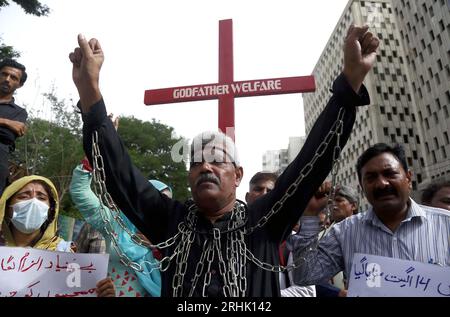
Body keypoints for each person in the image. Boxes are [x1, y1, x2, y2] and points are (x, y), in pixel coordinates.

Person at [69, 24, 378, 296]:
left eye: (217, 160)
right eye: (196, 162)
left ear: (238, 174)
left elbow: (312, 160)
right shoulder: (169, 221)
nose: (205, 167)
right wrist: (89, 90)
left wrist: (349, 83)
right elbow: (119, 171)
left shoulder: (266, 220)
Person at [289, 143, 450, 290]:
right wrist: (310, 215)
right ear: (362, 187)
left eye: (390, 174)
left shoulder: (446, 225)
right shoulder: (344, 233)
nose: (382, 183)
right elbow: (305, 277)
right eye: (371, 177)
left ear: (408, 178)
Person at [0, 175, 114, 296]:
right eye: (23, 196)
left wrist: (102, 293)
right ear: (6, 207)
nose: (33, 202)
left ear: (50, 210)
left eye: (41, 197)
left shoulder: (64, 254)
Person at [70, 160, 162, 297]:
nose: (163, 206)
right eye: (158, 198)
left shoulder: (173, 238)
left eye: (168, 201)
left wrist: (158, 248)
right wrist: (87, 165)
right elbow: (81, 193)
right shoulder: (116, 222)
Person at [245, 171, 315, 297]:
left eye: (270, 191)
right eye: (258, 189)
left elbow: (307, 292)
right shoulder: (232, 235)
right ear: (247, 197)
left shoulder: (294, 240)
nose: (264, 194)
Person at [0, 59, 28, 195]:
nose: (7, 79)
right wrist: (6, 122)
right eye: (4, 74)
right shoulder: (11, 119)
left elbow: (7, 137)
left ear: (20, 84)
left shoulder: (19, 112)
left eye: (13, 77)